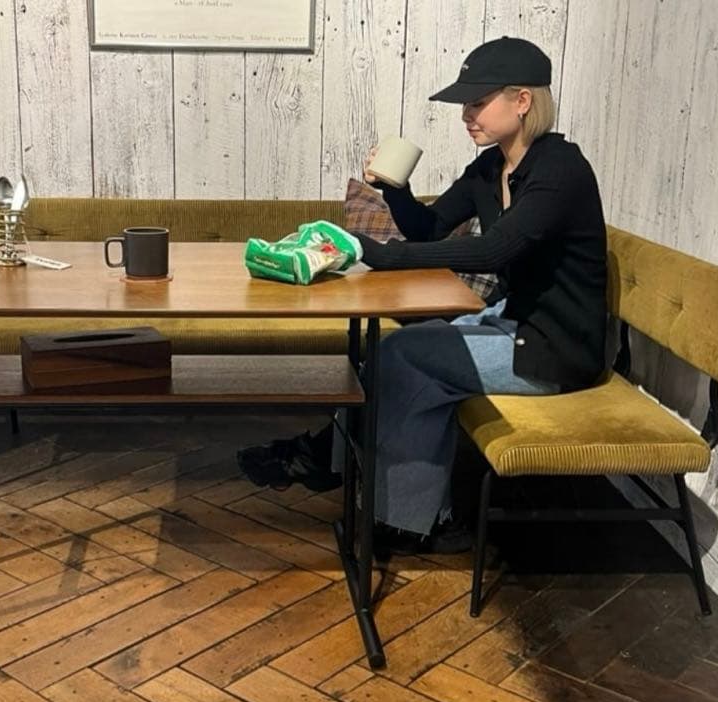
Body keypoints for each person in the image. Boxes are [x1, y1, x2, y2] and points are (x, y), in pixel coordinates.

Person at [238, 36, 609, 555]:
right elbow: (431, 227)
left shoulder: (560, 169)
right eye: (465, 104)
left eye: (477, 102)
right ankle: (348, 471)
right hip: (511, 321)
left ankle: (407, 514)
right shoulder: (491, 168)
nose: (466, 115)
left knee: (406, 355)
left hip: (552, 351)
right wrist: (395, 188)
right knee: (391, 351)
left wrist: (378, 254)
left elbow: (495, 250)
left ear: (522, 100)